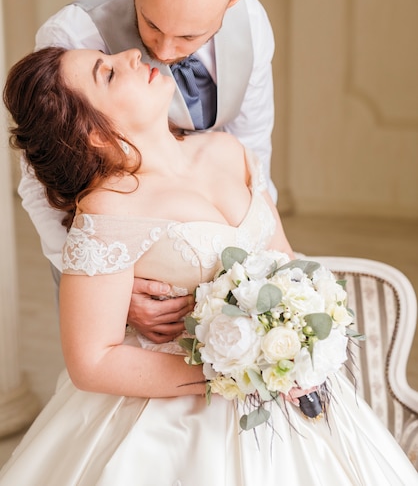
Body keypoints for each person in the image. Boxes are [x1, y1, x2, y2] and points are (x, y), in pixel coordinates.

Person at [1, 46, 417, 486]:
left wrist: (298, 343)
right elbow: (92, 360)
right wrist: (237, 372)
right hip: (179, 413)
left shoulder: (227, 151)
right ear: (94, 134)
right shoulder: (109, 208)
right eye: (106, 73)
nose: (129, 55)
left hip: (283, 384)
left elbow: (287, 262)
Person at [18, 0, 277, 343]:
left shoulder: (251, 21)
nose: (162, 51)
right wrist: (109, 285)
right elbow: (39, 179)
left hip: (214, 237)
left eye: (189, 36)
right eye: (151, 24)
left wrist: (261, 259)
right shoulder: (72, 34)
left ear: (227, 8)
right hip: (120, 246)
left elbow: (253, 147)